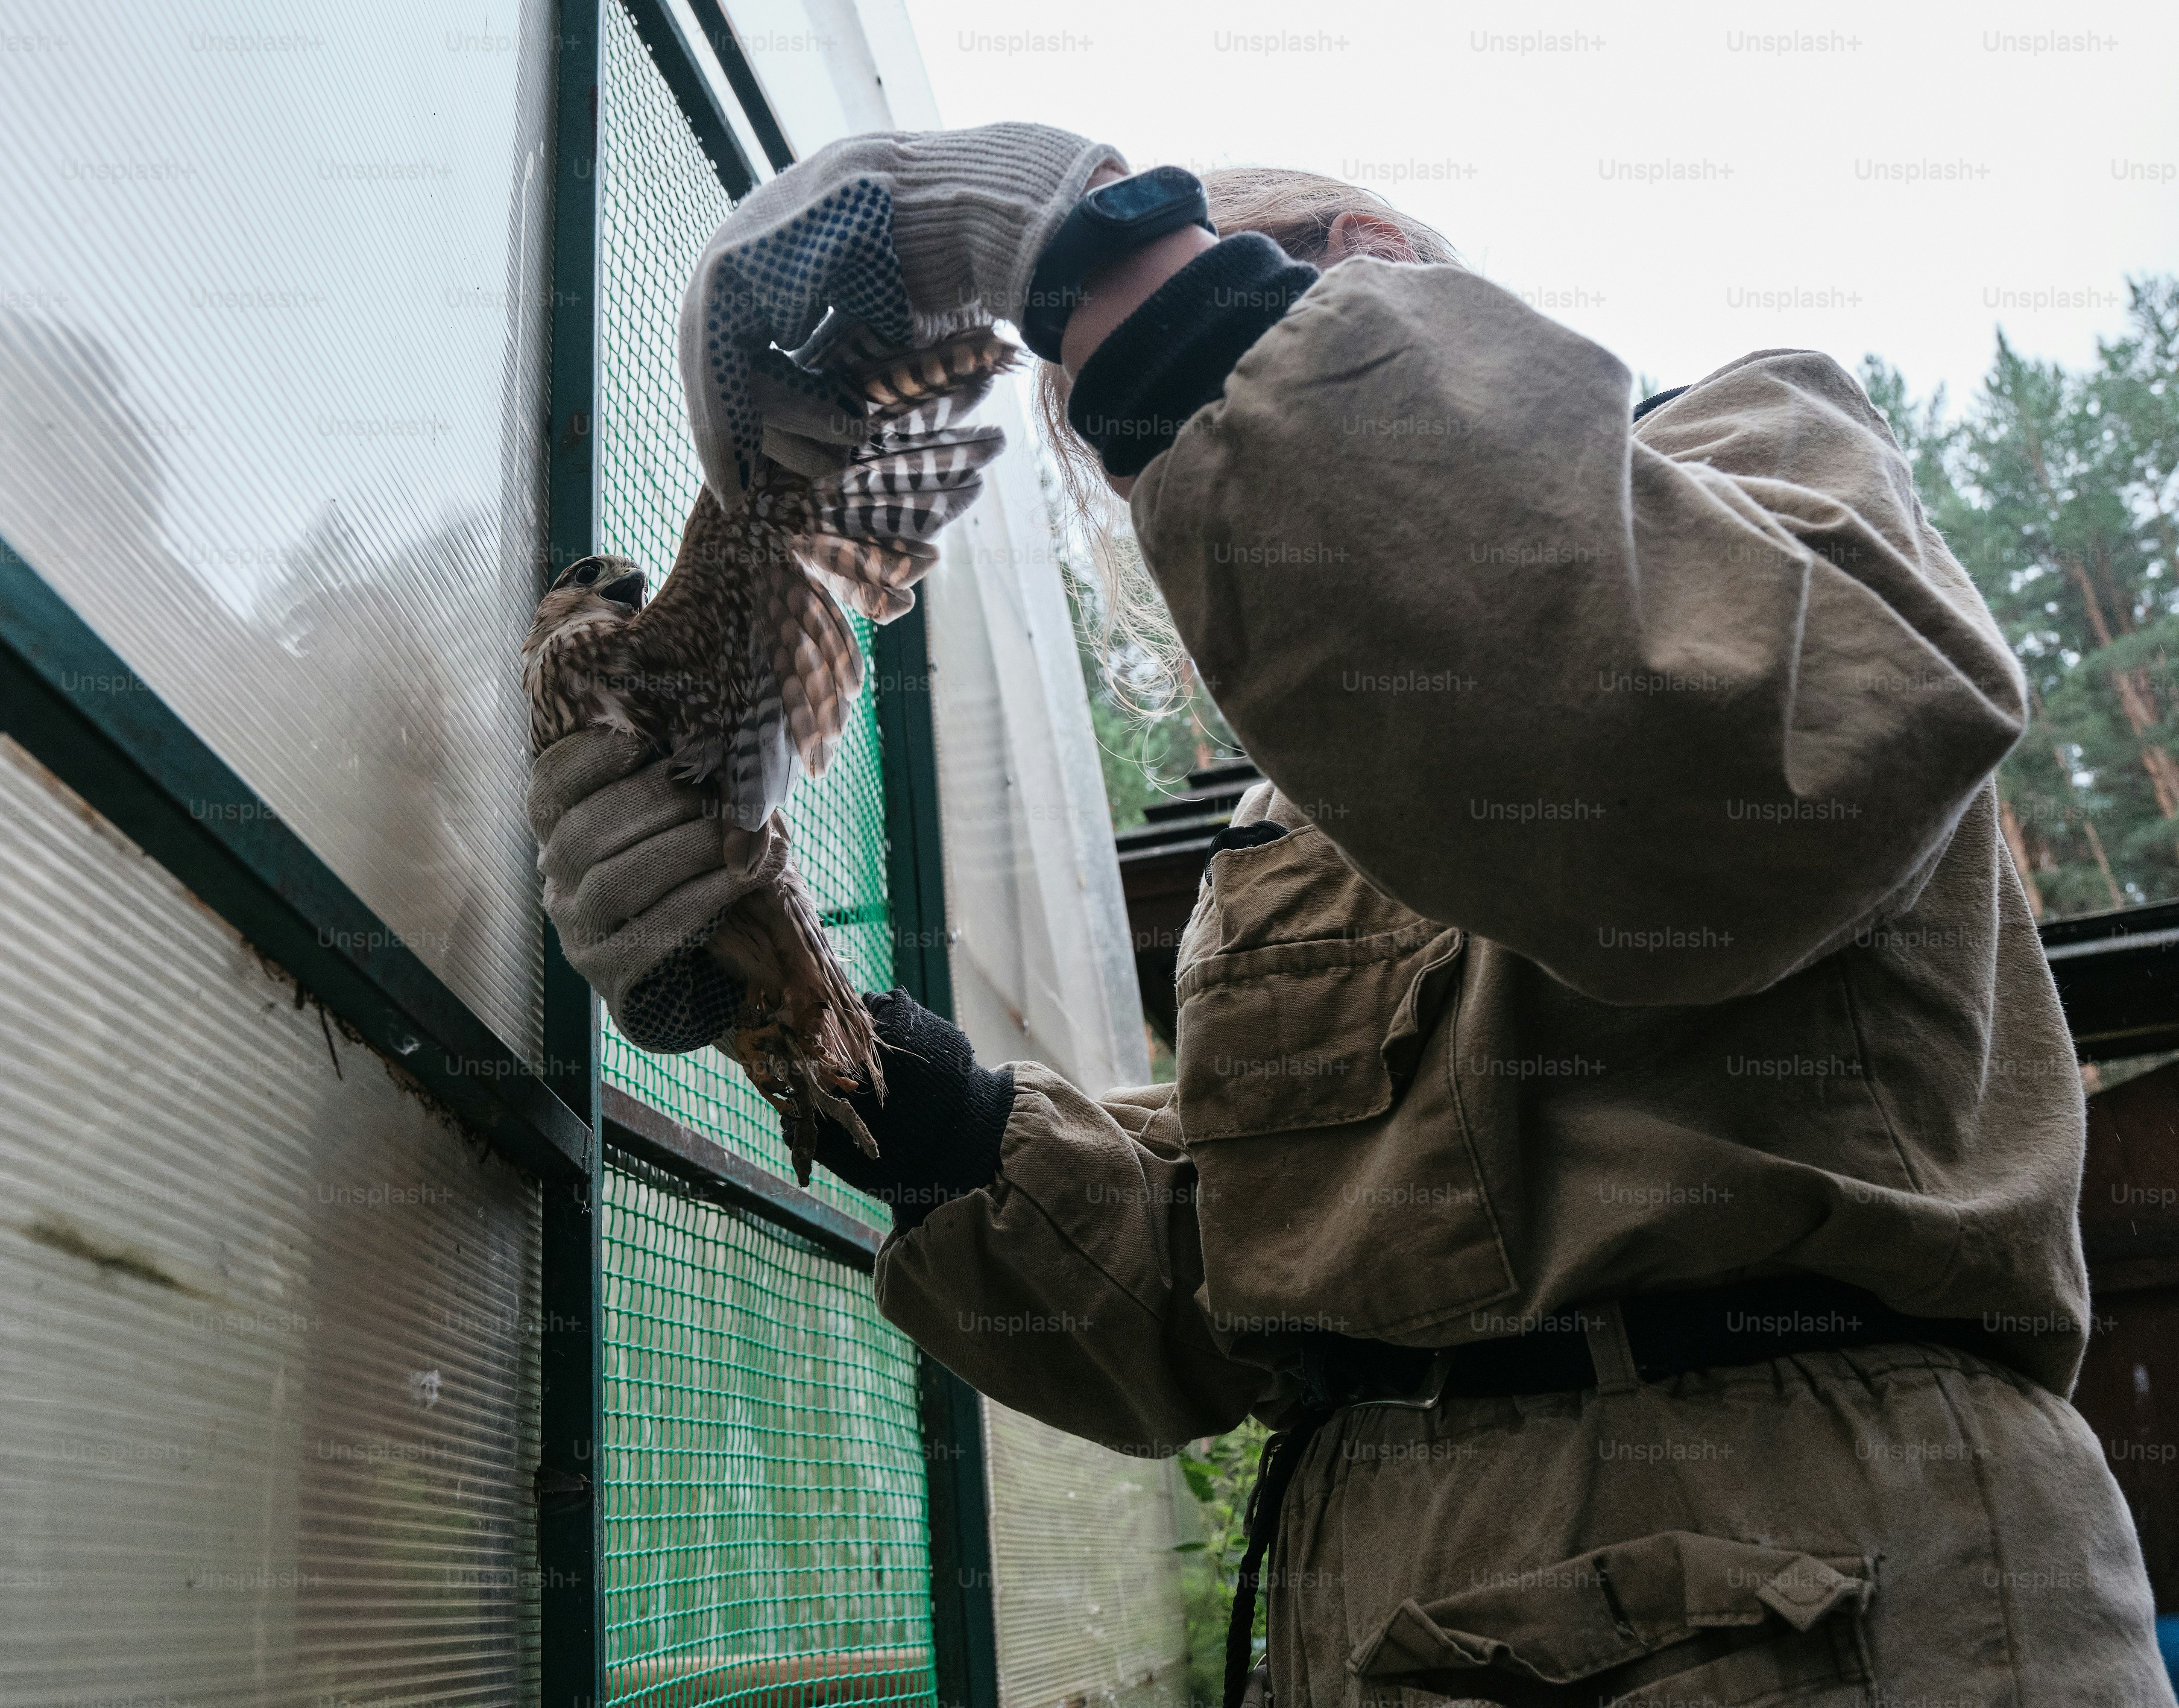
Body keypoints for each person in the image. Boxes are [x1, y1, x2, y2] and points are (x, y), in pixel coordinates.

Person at [526, 124, 2173, 1706]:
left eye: (1193, 345)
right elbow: (1261, 1280)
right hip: (1382, 1610)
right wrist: (849, 1064)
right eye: (1121, 422)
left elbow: (1685, 765)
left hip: (1802, 1585)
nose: (1144, 439)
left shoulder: (1752, 467)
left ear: (1374, 267)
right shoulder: (1299, 825)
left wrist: (1091, 248)